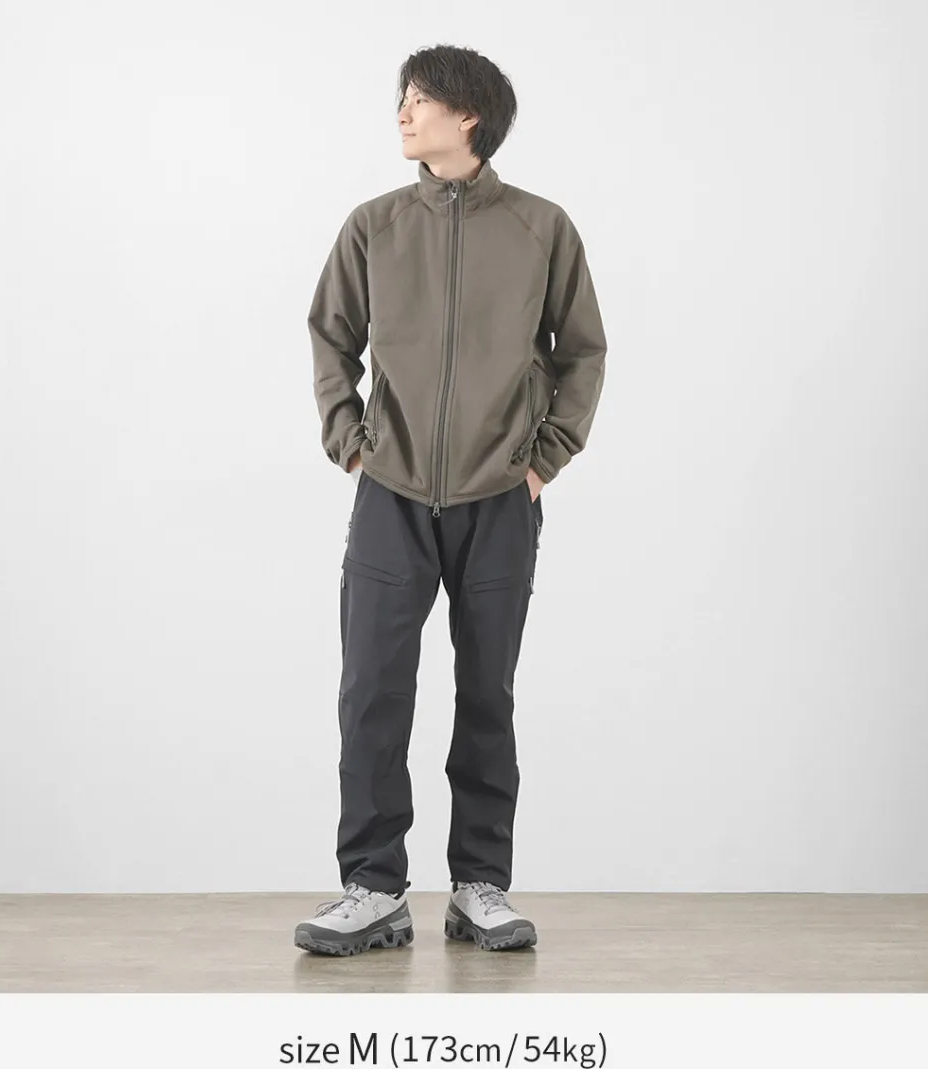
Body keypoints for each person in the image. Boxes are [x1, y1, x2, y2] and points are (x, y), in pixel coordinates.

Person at [296, 44, 607, 956]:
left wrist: (543, 461)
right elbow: (330, 337)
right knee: (371, 691)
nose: (402, 113)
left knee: (487, 696)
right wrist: (352, 443)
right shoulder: (374, 226)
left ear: (468, 115)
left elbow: (583, 351)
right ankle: (372, 887)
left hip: (500, 497)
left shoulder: (542, 228)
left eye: (419, 99)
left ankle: (480, 886)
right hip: (391, 496)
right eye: (403, 98)